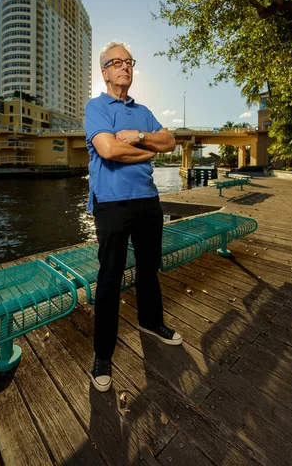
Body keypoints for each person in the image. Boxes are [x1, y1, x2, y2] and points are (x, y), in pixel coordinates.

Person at [85, 40, 183, 393]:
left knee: (148, 267)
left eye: (129, 61)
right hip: (111, 203)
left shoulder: (143, 111)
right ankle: (102, 354)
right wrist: (145, 152)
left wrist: (142, 136)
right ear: (105, 71)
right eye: (117, 61)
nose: (125, 66)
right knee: (110, 277)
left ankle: (150, 322)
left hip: (147, 201)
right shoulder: (95, 107)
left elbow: (169, 141)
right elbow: (108, 149)